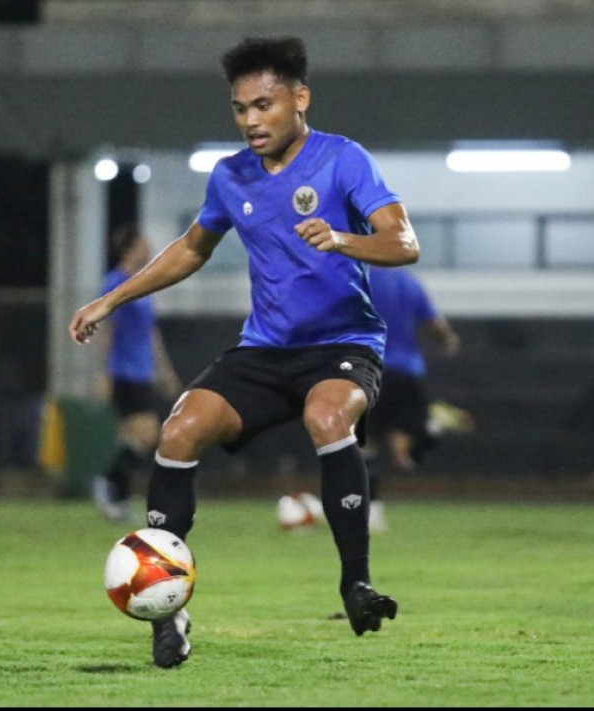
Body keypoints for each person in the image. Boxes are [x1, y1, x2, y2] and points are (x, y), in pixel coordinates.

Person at [69, 35, 419, 668]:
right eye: (240, 109)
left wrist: (342, 239)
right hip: (264, 350)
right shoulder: (230, 175)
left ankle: (356, 583)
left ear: (299, 98)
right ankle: (167, 614)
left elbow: (403, 242)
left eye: (263, 105)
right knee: (177, 432)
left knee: (327, 418)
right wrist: (110, 300)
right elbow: (190, 249)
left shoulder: (344, 160)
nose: (251, 121)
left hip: (343, 344)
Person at [91, 222, 182, 522]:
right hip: (124, 371)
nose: (149, 248)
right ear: (131, 248)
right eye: (144, 243)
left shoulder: (144, 283)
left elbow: (151, 333)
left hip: (143, 372)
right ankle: (108, 483)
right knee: (147, 432)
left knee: (133, 436)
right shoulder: (115, 282)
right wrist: (104, 373)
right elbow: (108, 329)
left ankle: (116, 496)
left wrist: (164, 370)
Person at [363, 265, 460, 533]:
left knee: (365, 445)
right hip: (407, 373)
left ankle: (372, 513)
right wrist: (448, 340)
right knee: (402, 455)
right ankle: (430, 427)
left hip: (367, 368)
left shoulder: (353, 276)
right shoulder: (408, 283)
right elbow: (434, 324)